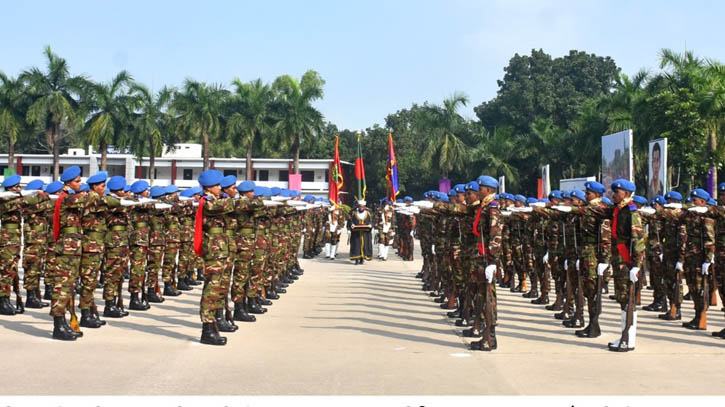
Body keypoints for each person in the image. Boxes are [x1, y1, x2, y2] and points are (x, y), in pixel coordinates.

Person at [349, 200, 373, 264]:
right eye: (360, 206)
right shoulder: (354, 213)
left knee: (364, 245)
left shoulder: (367, 213)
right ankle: (356, 259)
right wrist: (352, 225)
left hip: (365, 233)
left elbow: (370, 221)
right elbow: (351, 221)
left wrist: (370, 225)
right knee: (356, 245)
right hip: (356, 233)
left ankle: (362, 258)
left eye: (363, 207)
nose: (361, 208)